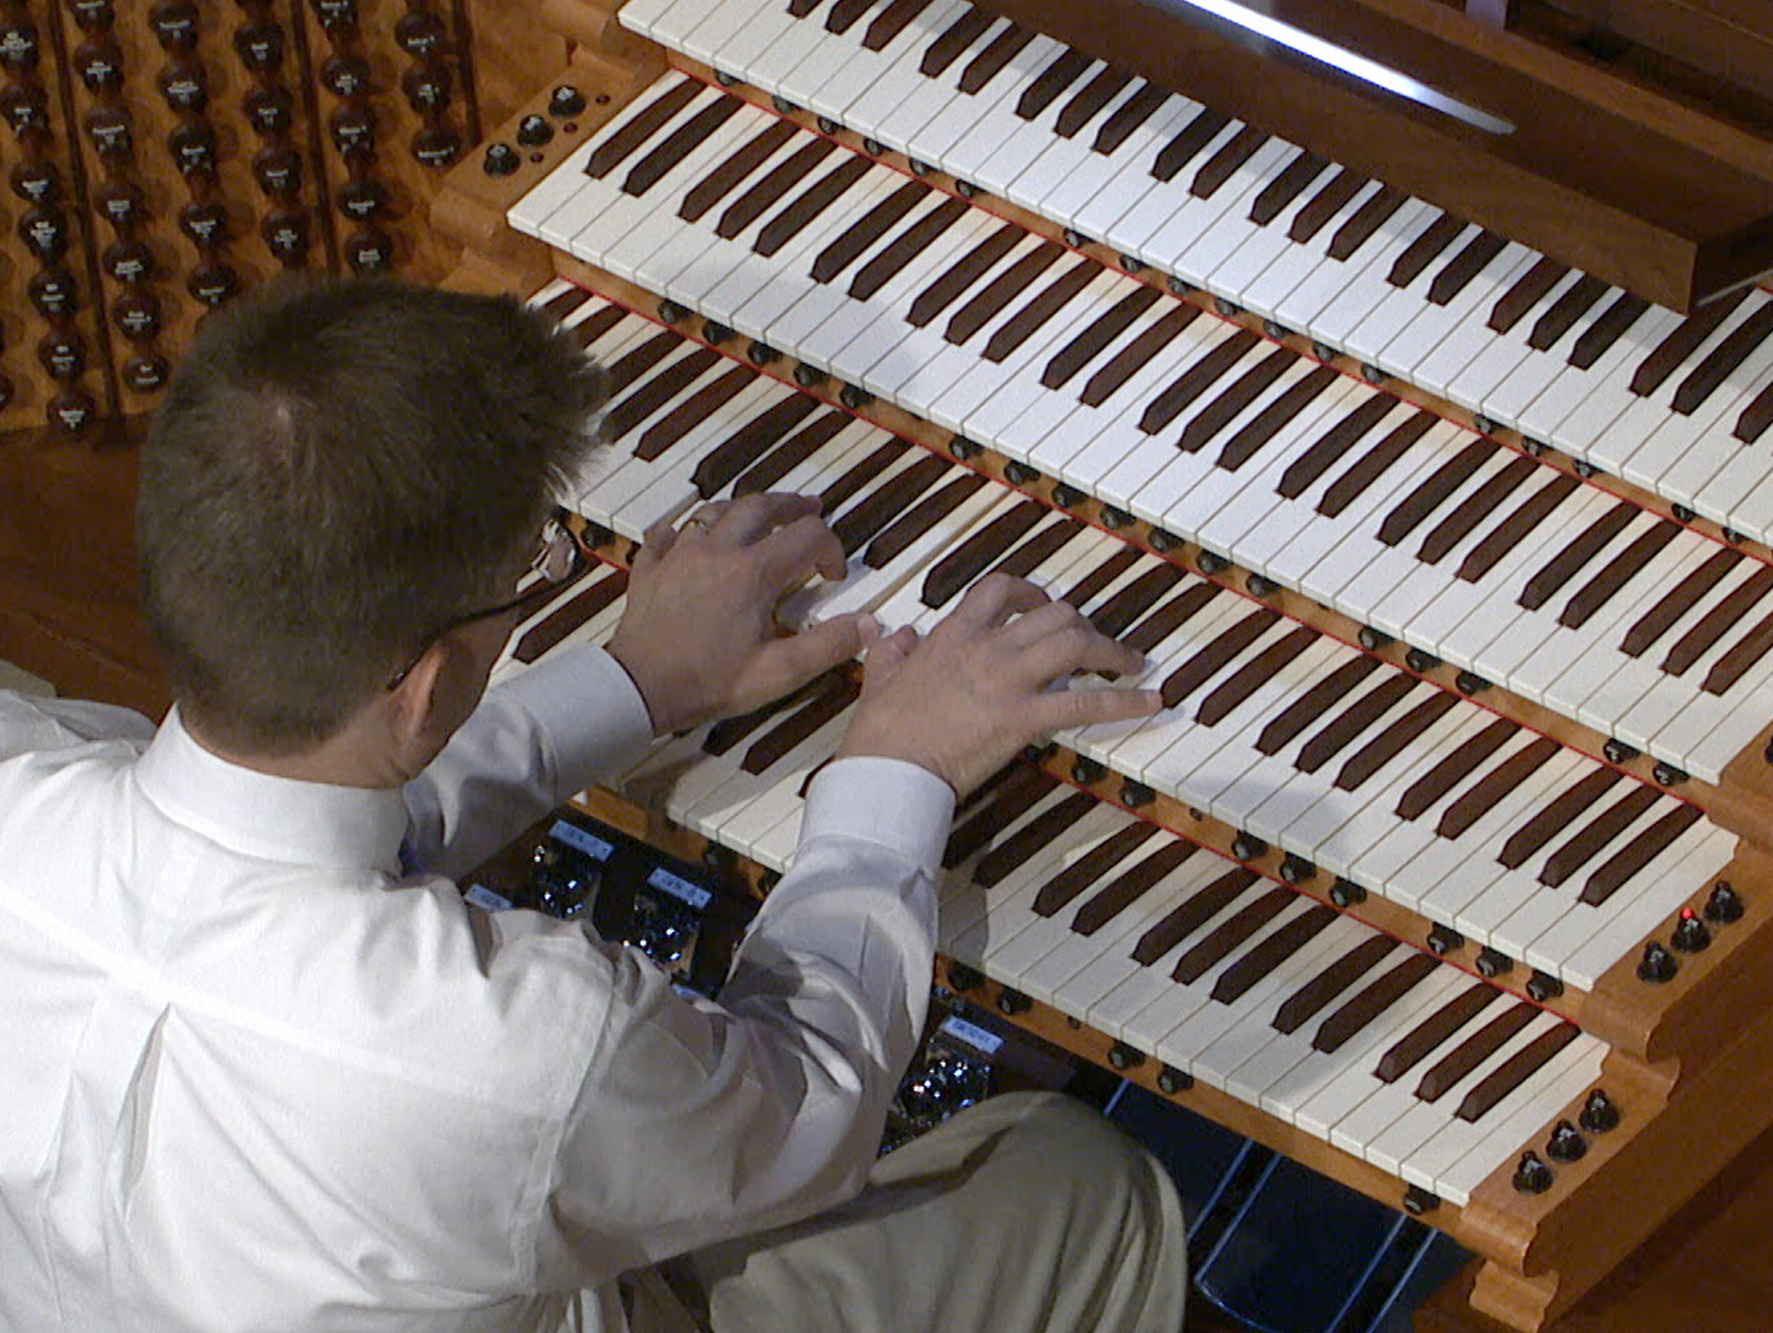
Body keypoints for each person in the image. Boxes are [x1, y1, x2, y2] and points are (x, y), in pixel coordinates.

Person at [0, 278, 1187, 1332]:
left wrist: (636, 681)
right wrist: (896, 769)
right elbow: (810, 1108)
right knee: (1088, 1186)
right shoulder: (514, 1043)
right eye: (531, 577)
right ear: (421, 686)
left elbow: (283, 833)